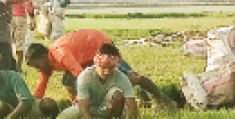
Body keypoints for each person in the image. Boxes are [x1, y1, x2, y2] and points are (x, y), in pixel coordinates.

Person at [25, 29, 176, 109]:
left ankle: (164, 99)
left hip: (98, 45)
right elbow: (40, 88)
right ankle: (85, 106)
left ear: (44, 57)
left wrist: (81, 98)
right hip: (84, 56)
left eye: (38, 65)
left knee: (128, 76)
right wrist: (32, 104)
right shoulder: (47, 64)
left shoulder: (61, 54)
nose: (38, 69)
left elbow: (81, 75)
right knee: (67, 80)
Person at [57, 43, 139, 119]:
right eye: (103, 68)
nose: (107, 72)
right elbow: (82, 103)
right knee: (63, 118)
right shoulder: (85, 76)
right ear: (96, 64)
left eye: (110, 68)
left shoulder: (121, 77)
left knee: (117, 94)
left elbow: (131, 102)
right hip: (87, 108)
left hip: (106, 109)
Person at [0, 51, 57, 119]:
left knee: (48, 103)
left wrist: (10, 118)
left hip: (31, 109)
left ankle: (56, 118)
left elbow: (27, 101)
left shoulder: (12, 76)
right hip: (12, 111)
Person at [10, 0, 36, 70]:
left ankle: (8, 66)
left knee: (6, 43)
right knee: (19, 43)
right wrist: (32, 17)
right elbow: (28, 3)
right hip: (20, 17)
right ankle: (18, 67)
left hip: (6, 17)